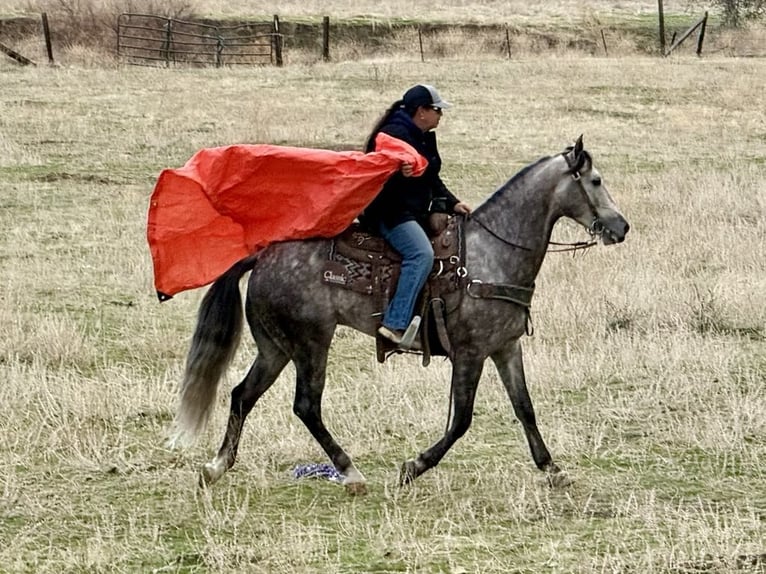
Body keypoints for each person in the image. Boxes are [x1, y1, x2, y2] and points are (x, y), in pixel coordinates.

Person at [360, 84, 472, 348]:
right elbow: (378, 169)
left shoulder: (421, 135)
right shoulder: (393, 135)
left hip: (412, 211)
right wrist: (400, 172)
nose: (440, 115)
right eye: (437, 110)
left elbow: (431, 177)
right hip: (390, 213)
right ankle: (394, 324)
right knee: (421, 254)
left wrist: (453, 203)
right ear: (421, 111)